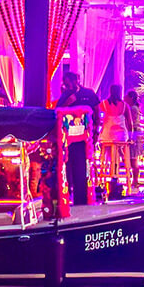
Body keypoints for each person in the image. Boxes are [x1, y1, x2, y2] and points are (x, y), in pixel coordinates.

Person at [59, 70, 100, 205]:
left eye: (68, 83)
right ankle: (67, 195)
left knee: (83, 168)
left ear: (75, 81)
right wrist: (67, 103)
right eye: (65, 84)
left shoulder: (88, 93)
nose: (67, 86)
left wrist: (95, 131)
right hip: (68, 138)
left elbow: (97, 111)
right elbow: (57, 111)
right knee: (68, 167)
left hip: (85, 138)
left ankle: (82, 198)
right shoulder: (65, 95)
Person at [98, 85, 131, 199]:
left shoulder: (103, 104)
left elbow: (97, 117)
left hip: (108, 134)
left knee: (108, 147)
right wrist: (131, 137)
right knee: (118, 147)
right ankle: (117, 170)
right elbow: (130, 123)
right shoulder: (125, 106)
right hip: (121, 135)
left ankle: (107, 171)